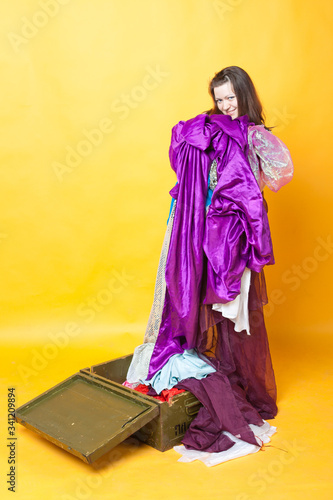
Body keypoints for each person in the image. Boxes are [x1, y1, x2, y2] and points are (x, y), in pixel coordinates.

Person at [126, 66, 293, 465]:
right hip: (200, 230)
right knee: (202, 298)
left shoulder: (253, 136)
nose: (225, 105)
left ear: (245, 95)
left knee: (231, 304)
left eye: (231, 98)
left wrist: (242, 178)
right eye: (219, 99)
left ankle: (234, 371)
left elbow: (279, 174)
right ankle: (209, 359)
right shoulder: (210, 130)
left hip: (232, 236)